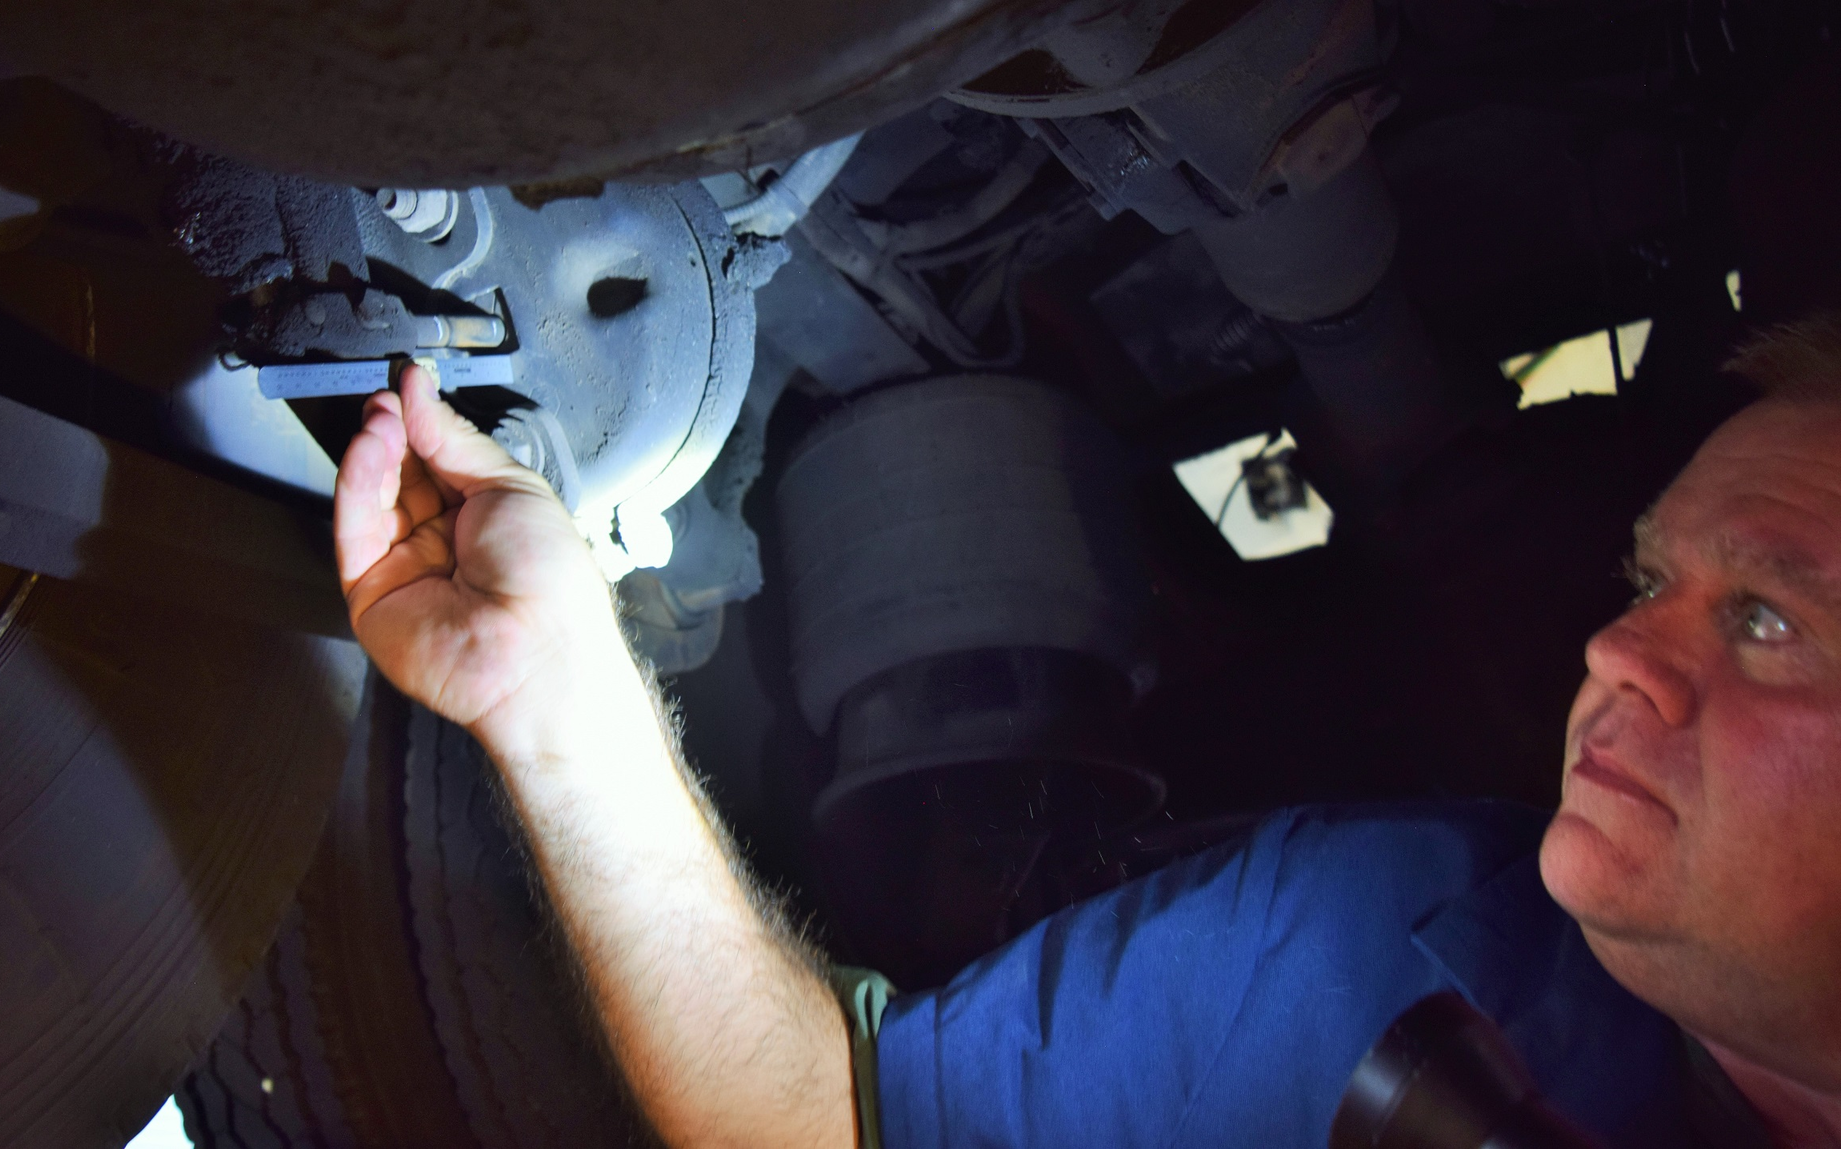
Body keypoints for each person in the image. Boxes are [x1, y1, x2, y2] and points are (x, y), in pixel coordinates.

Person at [332, 313, 1841, 1147]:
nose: (1615, 647)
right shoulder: (1360, 938)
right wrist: (555, 701)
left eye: (1762, 620)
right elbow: (826, 1124)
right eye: (1650, 579)